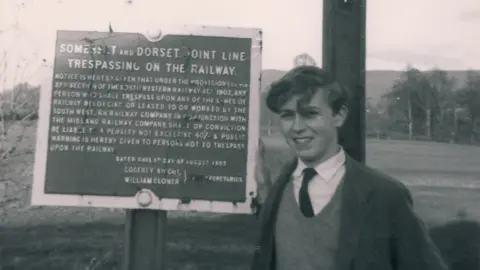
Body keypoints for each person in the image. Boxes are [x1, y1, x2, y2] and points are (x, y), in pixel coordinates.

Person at [250, 66, 448, 270]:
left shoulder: (386, 195)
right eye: (287, 115)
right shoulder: (277, 188)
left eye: (310, 114)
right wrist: (264, 191)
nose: (297, 127)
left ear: (339, 116)